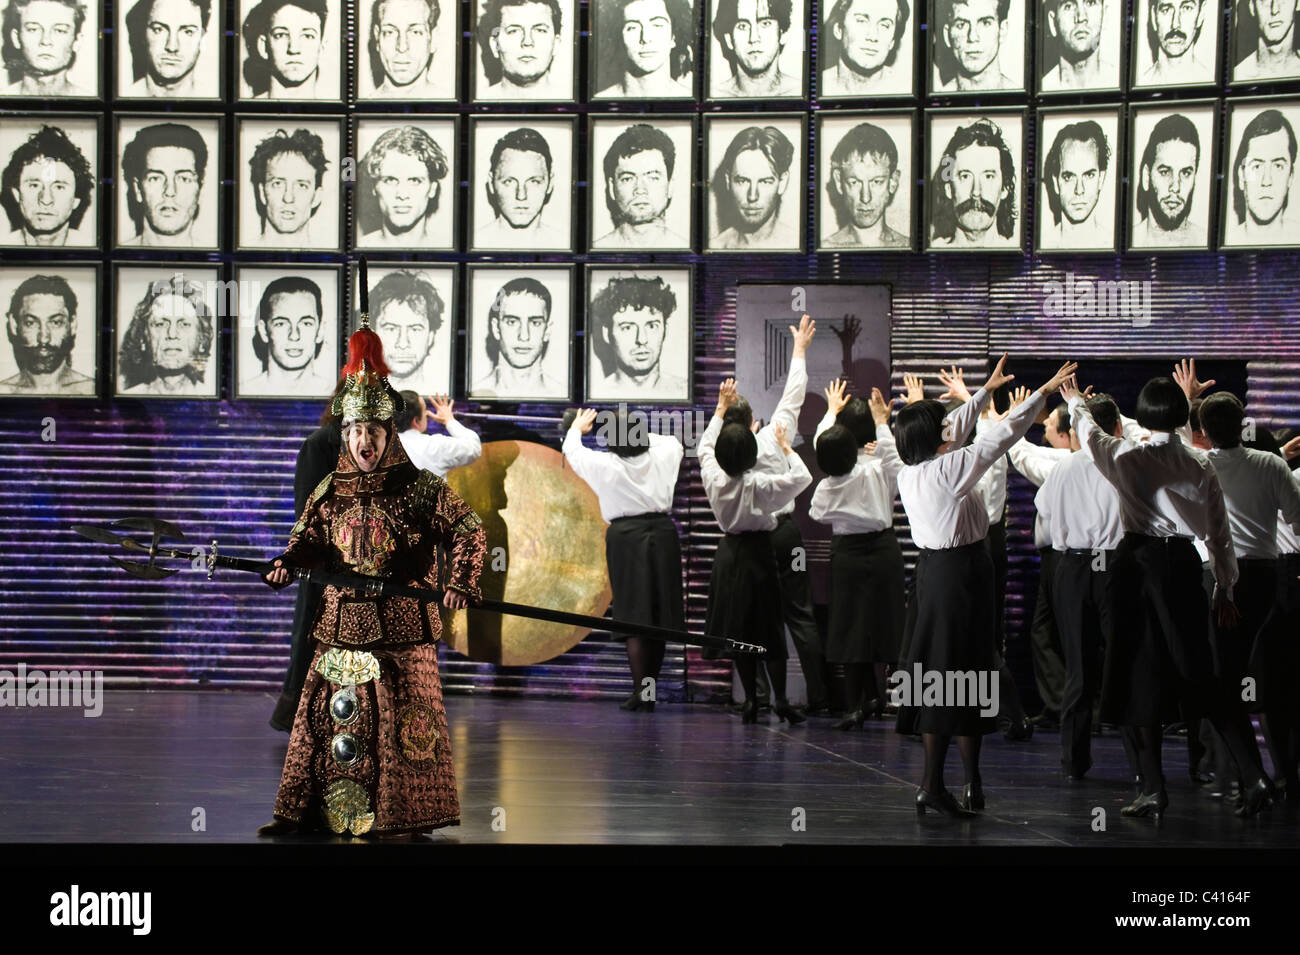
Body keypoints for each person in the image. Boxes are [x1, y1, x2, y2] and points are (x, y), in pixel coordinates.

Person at [259, 328, 487, 837]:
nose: (364, 442)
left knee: (404, 730)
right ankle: (317, 812)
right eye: (356, 430)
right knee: (333, 721)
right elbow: (306, 541)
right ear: (346, 433)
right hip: (340, 625)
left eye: (374, 432)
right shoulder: (329, 489)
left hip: (402, 632)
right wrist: (286, 566)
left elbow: (470, 531)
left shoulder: (419, 488)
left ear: (389, 434)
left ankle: (403, 816)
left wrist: (461, 583)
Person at [1061, 372, 1278, 818]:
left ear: (1142, 416)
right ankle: (1254, 776)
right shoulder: (1200, 464)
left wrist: (1074, 403)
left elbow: (1089, 435)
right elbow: (1220, 534)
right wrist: (1224, 585)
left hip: (1137, 567)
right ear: (1184, 417)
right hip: (1181, 568)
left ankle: (1154, 788)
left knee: (1138, 676)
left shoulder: (1127, 456)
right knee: (1202, 673)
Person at [894, 355, 1077, 818]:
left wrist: (982, 393)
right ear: (937, 438)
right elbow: (998, 437)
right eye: (944, 427)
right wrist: (1044, 392)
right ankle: (944, 784)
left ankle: (956, 783)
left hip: (941, 576)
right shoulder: (947, 470)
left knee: (947, 678)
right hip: (960, 578)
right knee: (962, 678)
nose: (951, 428)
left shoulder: (914, 469)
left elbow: (953, 423)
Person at [717, 314, 828, 717]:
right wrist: (799, 349)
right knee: (796, 615)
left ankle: (753, 699)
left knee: (748, 622)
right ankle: (809, 698)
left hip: (744, 545)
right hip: (781, 536)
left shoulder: (718, 460)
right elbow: (793, 395)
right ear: (752, 424)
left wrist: (721, 411)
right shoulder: (771, 438)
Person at [1198, 391, 1300, 801]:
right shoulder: (1272, 463)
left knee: (1222, 679)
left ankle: (1249, 774)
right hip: (1266, 576)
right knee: (1259, 676)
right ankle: (1260, 775)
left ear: (1204, 432)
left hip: (1219, 575)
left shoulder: (1199, 464)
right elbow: (1296, 518)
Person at [700, 368, 811, 724]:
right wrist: (785, 448)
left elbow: (704, 446)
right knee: (769, 630)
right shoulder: (759, 484)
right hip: (761, 554)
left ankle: (750, 700)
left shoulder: (714, 477)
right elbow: (802, 478)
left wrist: (719, 409)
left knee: (739, 631)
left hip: (730, 555)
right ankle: (779, 699)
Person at [563, 406, 685, 712]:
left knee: (634, 616)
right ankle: (649, 691)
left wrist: (579, 426)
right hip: (663, 534)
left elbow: (572, 449)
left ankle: (640, 693)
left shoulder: (604, 465)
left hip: (627, 538)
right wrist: (634, 431)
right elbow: (672, 441)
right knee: (657, 617)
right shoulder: (664, 453)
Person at [1035, 393, 1127, 779]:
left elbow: (1046, 511)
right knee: (1123, 662)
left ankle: (1073, 761)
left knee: (1078, 666)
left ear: (1076, 430)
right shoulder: (1124, 459)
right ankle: (1142, 766)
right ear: (1118, 428)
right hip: (1111, 565)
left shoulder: (1063, 467)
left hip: (1071, 567)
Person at [810, 382, 904, 728]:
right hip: (884, 549)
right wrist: (884, 422)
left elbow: (826, 442)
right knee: (888, 628)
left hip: (848, 553)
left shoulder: (834, 475)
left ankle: (855, 705)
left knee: (850, 628)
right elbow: (894, 459)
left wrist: (831, 409)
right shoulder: (882, 464)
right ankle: (895, 703)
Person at [589, 275, 687, 399]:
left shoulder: (685, 391)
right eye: (627, 328)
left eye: (652, 326)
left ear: (665, 330)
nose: (642, 339)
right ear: (606, 334)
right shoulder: (596, 395)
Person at [592, 124, 688, 249]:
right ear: (612, 188)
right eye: (627, 179)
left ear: (670, 186)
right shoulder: (596, 251)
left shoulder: (686, 251)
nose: (640, 190)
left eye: (653, 178)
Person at [117, 273, 214, 396]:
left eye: (184, 324)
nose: (172, 334)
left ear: (201, 338)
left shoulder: (213, 399)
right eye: (160, 324)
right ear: (143, 337)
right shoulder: (127, 400)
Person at [929, 117, 1017, 248]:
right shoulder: (933, 251)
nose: (976, 191)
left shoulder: (1015, 253)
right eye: (965, 176)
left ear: (1005, 188)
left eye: (988, 177)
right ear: (948, 188)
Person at [1, 124, 94, 247]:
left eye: (59, 187)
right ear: (16, 194)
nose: (46, 200)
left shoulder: (91, 249)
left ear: (76, 199)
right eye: (34, 185)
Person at [474, 127, 567, 249]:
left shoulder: (563, 244)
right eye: (509, 181)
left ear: (550, 183)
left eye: (534, 181)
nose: (521, 195)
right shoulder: (475, 243)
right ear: (491, 183)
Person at [1, 273, 93, 394]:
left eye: (56, 322)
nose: (44, 338)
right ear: (14, 325)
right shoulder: (4, 392)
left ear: (72, 324)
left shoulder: (92, 390)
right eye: (31, 323)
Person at [241, 276, 335, 395]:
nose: (294, 336)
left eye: (306, 323)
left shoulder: (337, 395)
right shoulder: (245, 392)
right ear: (263, 331)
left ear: (320, 330)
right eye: (281, 324)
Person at [357, 126, 449, 246]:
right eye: (390, 180)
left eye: (415, 181)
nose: (402, 195)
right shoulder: (358, 251)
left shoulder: (446, 249)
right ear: (375, 187)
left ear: (432, 189)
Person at [821, 121, 908, 249]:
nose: (865, 198)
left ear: (893, 181)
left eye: (877, 182)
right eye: (854, 183)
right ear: (839, 182)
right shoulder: (826, 248)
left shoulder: (908, 246)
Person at [709, 124, 797, 250]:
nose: (752, 196)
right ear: (728, 181)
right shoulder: (715, 247)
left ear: (782, 182)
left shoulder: (797, 245)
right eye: (742, 181)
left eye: (765, 182)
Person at [120, 122, 208, 247]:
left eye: (183, 179)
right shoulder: (120, 256)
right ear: (137, 189)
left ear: (200, 190)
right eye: (156, 178)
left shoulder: (215, 257)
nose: (170, 191)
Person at [472, 276, 557, 396]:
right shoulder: (474, 393)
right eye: (511, 322)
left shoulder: (560, 393)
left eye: (535, 323)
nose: (524, 336)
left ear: (547, 330)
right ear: (496, 328)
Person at [247, 127, 330, 247]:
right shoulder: (243, 259)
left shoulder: (329, 261)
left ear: (317, 196)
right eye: (278, 184)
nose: (288, 197)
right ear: (262, 193)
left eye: (302, 185)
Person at [593, 0, 694, 97]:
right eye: (632, 27)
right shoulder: (598, 104)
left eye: (657, 25)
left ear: (674, 37)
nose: (645, 38)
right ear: (618, 36)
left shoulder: (691, 102)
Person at [1224, 108, 1295, 245]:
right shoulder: (1228, 241)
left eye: (1278, 166)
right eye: (1257, 166)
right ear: (1241, 175)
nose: (1266, 181)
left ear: (1290, 177)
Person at [370, 269, 447, 392]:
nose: (403, 344)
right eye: (391, 329)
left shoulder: (440, 390)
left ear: (431, 336)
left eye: (415, 329)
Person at [1133, 113, 1203, 247]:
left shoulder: (1204, 241)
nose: (1175, 187)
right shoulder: (1126, 241)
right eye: (1165, 172)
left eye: (1186, 173)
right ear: (1146, 176)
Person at [1041, 120, 1111, 248]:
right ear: (1056, 182)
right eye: (1068, 177)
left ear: (1101, 179)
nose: (1079, 190)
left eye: (1089, 175)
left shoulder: (1112, 243)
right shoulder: (1043, 246)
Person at [819, 0, 910, 95]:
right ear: (839, 30)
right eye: (861, 21)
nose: (873, 36)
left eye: (884, 25)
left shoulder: (904, 89)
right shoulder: (818, 88)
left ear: (893, 41)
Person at [476, 0, 565, 97]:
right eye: (513, 31)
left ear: (556, 43)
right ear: (495, 45)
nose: (527, 42)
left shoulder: (571, 104)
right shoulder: (477, 106)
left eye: (540, 30)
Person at [711, 0, 798, 96]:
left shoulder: (799, 93)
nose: (753, 38)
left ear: (783, 34)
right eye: (742, 26)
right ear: (729, 39)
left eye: (765, 24)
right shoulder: (716, 97)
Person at [2, 0, 91, 95]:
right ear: (16, 38)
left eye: (60, 30)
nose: (45, 41)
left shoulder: (93, 105)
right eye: (33, 29)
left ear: (77, 41)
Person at [242, 0, 327, 99]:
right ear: (263, 46)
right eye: (281, 35)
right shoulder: (247, 111)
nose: (294, 49)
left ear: (321, 47)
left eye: (308, 36)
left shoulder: (334, 112)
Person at [124, 0, 210, 96]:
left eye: (188, 32)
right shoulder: (123, 100)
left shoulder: (213, 102)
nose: (172, 47)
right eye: (158, 30)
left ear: (203, 38)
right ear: (143, 36)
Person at [934, 0, 1017, 91]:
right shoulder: (937, 102)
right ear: (947, 36)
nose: (972, 37)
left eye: (985, 23)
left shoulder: (1021, 99)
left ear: (1002, 30)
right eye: (961, 25)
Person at [398, 389, 482, 477]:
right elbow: (473, 447)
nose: (427, 414)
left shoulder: (384, 446)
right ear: (416, 421)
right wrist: (449, 420)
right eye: (425, 410)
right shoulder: (434, 446)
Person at [368, 0, 442, 95]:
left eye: (415, 32)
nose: (402, 47)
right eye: (390, 32)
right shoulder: (361, 107)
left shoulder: (450, 106)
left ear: (433, 39)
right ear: (377, 37)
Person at [1039, 0, 1113, 90]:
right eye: (1068, 6)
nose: (1081, 17)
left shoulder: (1117, 83)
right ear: (1053, 23)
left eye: (1090, 3)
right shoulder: (1044, 91)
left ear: (1104, 16)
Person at [1138, 0, 1210, 84]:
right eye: (1166, 10)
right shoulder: (1141, 84)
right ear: (1154, 17)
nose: (1175, 24)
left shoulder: (1210, 82)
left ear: (1201, 14)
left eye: (1187, 8)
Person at [1233, 0, 1300, 80]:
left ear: (1298, 3)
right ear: (1252, 7)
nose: (1274, 10)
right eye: (1265, 0)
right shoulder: (1240, 75)